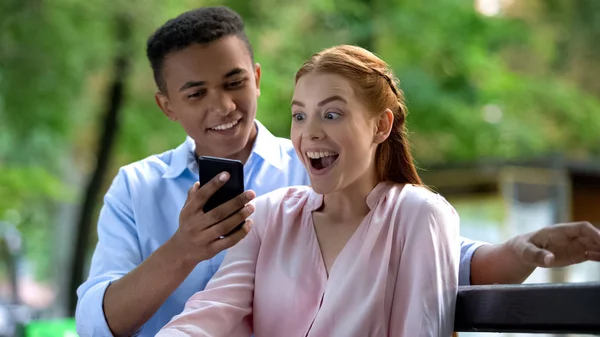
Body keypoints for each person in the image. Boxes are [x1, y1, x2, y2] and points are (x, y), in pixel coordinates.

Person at [74, 6, 600, 337]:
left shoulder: (322, 174)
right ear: (167, 106)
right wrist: (184, 249)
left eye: (235, 83)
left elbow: (441, 259)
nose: (224, 106)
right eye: (197, 93)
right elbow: (99, 322)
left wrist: (523, 248)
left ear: (257, 79)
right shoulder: (136, 187)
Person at [156, 44, 459, 337]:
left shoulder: (419, 216)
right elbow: (211, 313)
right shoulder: (268, 216)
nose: (309, 133)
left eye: (331, 115)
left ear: (381, 126)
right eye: (299, 116)